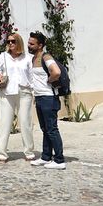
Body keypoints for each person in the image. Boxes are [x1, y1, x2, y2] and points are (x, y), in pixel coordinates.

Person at [0, 30, 36, 163]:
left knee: (26, 123)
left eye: (13, 41)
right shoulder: (3, 56)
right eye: (8, 41)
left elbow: (32, 76)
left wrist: (34, 93)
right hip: (7, 92)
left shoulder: (28, 58)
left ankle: (29, 152)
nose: (10, 43)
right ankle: (1, 153)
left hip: (24, 92)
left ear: (19, 42)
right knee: (4, 123)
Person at [27, 30, 66, 169]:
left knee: (52, 129)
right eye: (29, 42)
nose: (29, 45)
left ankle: (59, 160)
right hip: (39, 97)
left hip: (49, 97)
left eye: (32, 44)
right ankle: (46, 157)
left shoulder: (46, 57)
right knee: (45, 129)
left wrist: (49, 81)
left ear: (40, 45)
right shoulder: (33, 59)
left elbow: (56, 72)